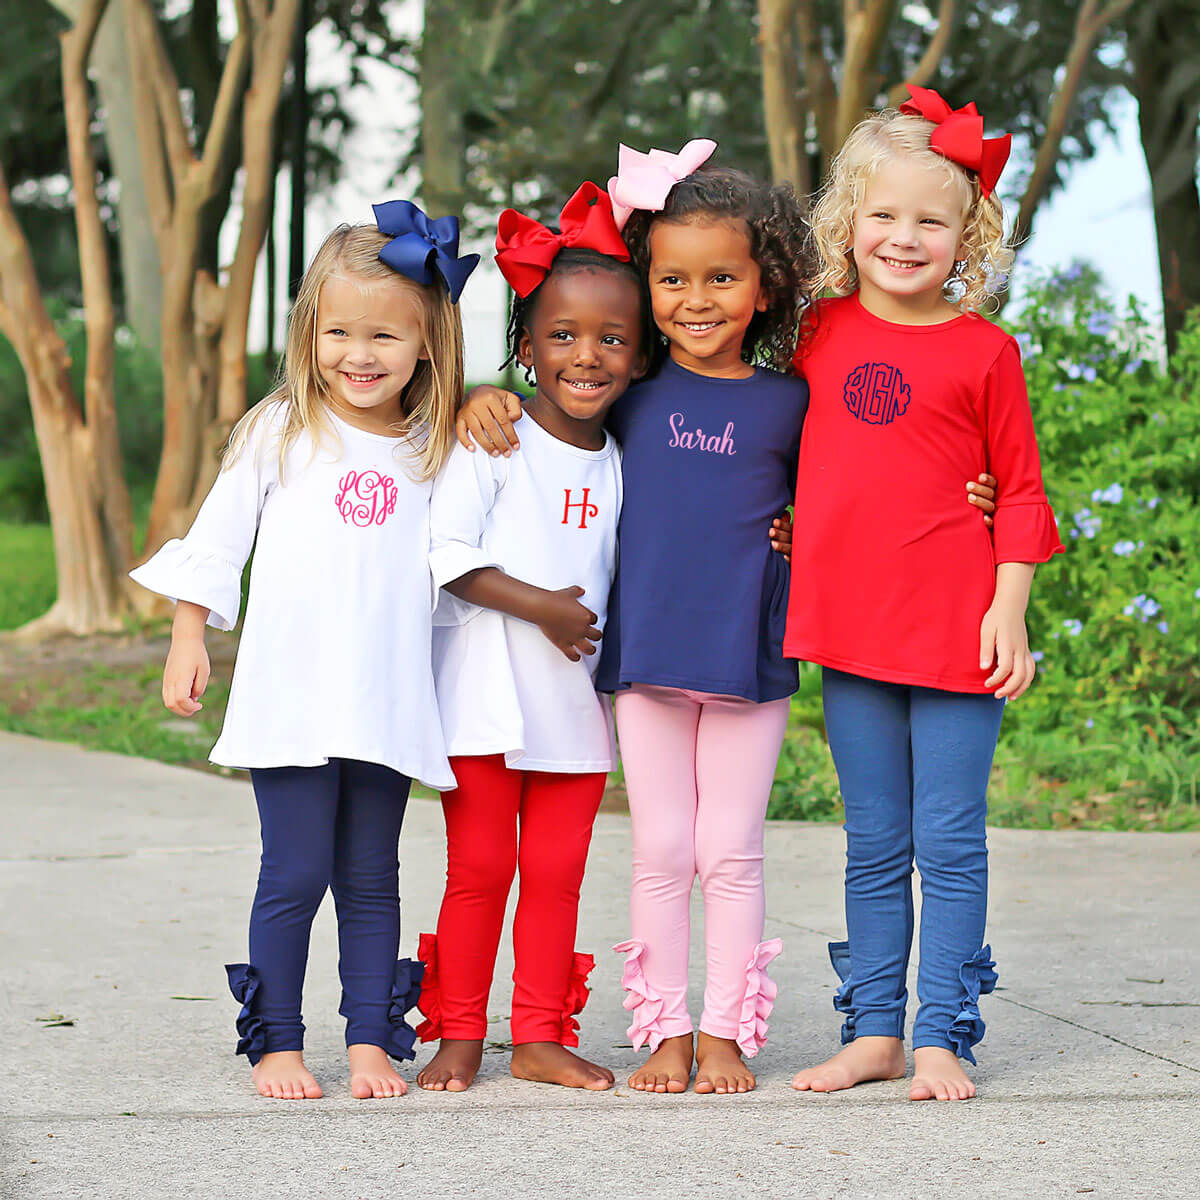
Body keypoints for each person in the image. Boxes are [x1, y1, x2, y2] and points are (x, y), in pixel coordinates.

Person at [455, 142, 998, 1097]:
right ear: (645, 284)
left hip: (751, 657)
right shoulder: (628, 398)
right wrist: (480, 399)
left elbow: (880, 461)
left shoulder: (798, 400)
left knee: (732, 852)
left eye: (720, 278)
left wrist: (974, 494)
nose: (694, 300)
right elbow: (552, 408)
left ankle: (726, 1034)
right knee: (663, 850)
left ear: (765, 286)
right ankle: (664, 1029)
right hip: (646, 660)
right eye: (670, 279)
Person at [130, 205, 477, 1101]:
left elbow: (464, 566)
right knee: (294, 872)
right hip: (291, 692)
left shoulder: (433, 446)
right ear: (307, 333)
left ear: (430, 341)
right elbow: (217, 535)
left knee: (372, 875)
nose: (359, 355)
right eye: (338, 332)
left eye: (385, 336)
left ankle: (369, 1037)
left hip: (385, 696)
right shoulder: (281, 429)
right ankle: (276, 1040)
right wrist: (187, 637)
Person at [786, 87, 1064, 1102]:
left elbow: (1021, 489)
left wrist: (1009, 607)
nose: (905, 238)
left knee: (948, 840)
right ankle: (873, 1032)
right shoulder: (812, 335)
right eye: (884, 216)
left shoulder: (986, 352)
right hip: (848, 629)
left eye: (931, 221)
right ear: (848, 225)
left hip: (955, 627)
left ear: (967, 235)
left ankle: (941, 1032)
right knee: (873, 841)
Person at [413, 183, 649, 1094]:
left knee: (556, 873)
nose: (586, 355)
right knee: (479, 868)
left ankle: (543, 1034)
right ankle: (461, 1033)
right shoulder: (493, 440)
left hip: (574, 707)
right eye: (562, 336)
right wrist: (538, 604)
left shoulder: (625, 459)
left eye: (611, 340)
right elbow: (445, 553)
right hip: (482, 699)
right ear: (524, 349)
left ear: (636, 358)